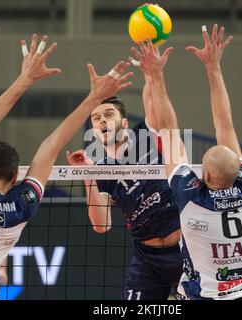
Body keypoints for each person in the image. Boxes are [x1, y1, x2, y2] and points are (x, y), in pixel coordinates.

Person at [0, 34, 133, 300]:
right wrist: (94, 98)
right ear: (15, 177)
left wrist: (24, 79)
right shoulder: (20, 207)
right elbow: (51, 146)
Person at [136, 25, 242, 299]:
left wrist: (155, 76)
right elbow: (225, 125)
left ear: (205, 174)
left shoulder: (192, 197)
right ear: (239, 170)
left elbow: (168, 130)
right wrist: (214, 68)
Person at [66, 48, 183, 300]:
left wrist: (152, 73)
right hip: (147, 258)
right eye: (96, 118)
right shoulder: (103, 171)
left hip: (184, 248)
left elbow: (153, 103)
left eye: (108, 115)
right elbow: (101, 225)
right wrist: (88, 176)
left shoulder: (146, 137)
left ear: (125, 123)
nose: (102, 121)